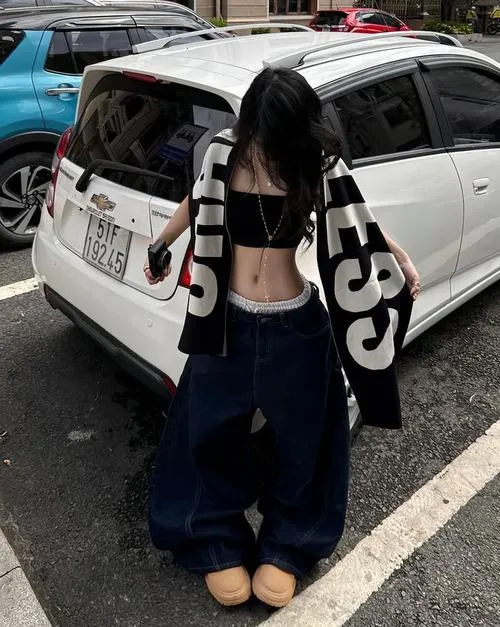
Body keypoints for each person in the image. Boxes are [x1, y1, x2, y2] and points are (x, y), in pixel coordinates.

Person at [144, 68, 420, 608]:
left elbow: (358, 221)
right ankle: (213, 539)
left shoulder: (315, 162)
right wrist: (162, 243)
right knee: (206, 433)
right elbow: (197, 201)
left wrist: (402, 259)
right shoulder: (223, 152)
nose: (269, 140)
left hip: (298, 327)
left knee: (305, 440)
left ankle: (287, 545)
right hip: (225, 322)